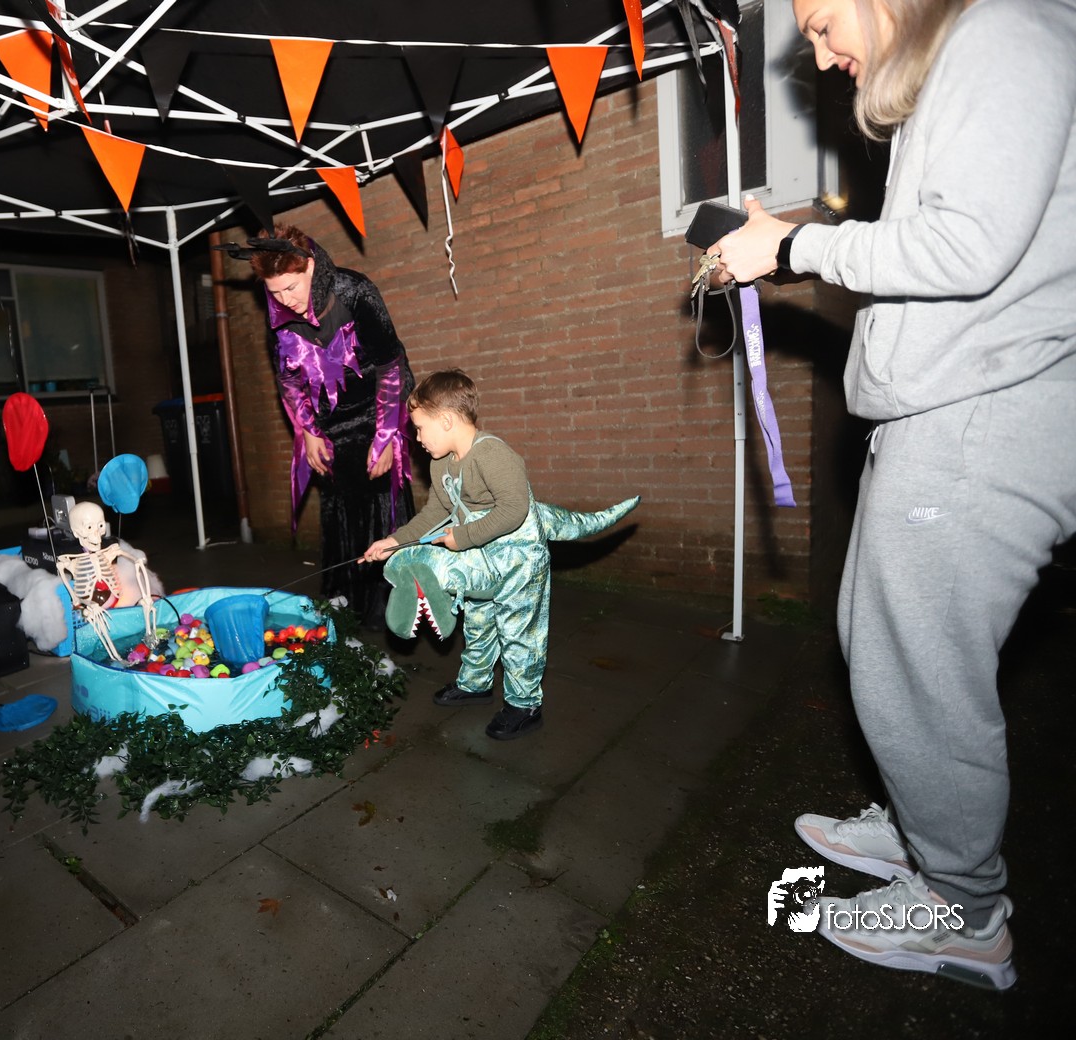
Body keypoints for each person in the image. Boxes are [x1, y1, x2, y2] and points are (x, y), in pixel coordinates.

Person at [710, 0, 1076, 991]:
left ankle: (964, 911)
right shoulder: (963, 56)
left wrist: (795, 247)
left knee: (921, 678)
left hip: (980, 420)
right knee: (879, 649)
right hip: (942, 414)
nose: (822, 54)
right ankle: (924, 830)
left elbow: (965, 247)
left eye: (824, 23)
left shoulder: (1004, 30)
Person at [361, 370, 638, 741]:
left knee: (518, 629)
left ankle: (525, 706)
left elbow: (514, 508)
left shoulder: (492, 454)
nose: (418, 438)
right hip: (481, 556)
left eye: (420, 428)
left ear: (446, 420)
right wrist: (394, 542)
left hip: (520, 555)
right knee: (478, 621)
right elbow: (435, 514)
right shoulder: (441, 463)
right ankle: (476, 684)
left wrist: (462, 537)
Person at [238, 224, 415, 629]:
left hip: (376, 408)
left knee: (381, 504)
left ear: (311, 266)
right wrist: (308, 432)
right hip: (329, 420)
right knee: (339, 507)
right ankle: (346, 605)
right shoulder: (277, 310)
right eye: (275, 292)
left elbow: (390, 365)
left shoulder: (355, 291)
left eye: (291, 287)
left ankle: (391, 610)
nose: (285, 300)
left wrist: (386, 437)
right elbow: (287, 379)